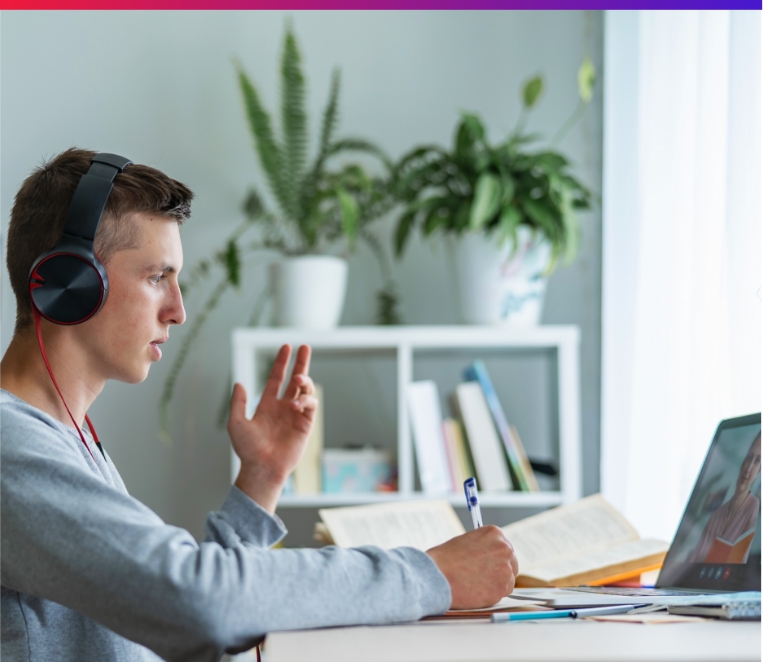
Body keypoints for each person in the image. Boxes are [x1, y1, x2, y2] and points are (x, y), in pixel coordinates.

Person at [1, 148, 519, 662]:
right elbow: (196, 602)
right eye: (157, 277)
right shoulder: (11, 447)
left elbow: (188, 605)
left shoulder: (65, 436)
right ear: (71, 283)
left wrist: (261, 478)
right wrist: (429, 576)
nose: (179, 310)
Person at [688, 432, 761, 563]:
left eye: (757, 461)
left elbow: (740, 564)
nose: (749, 468)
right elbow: (694, 562)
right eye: (749, 458)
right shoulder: (716, 516)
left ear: (760, 470)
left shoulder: (753, 506)